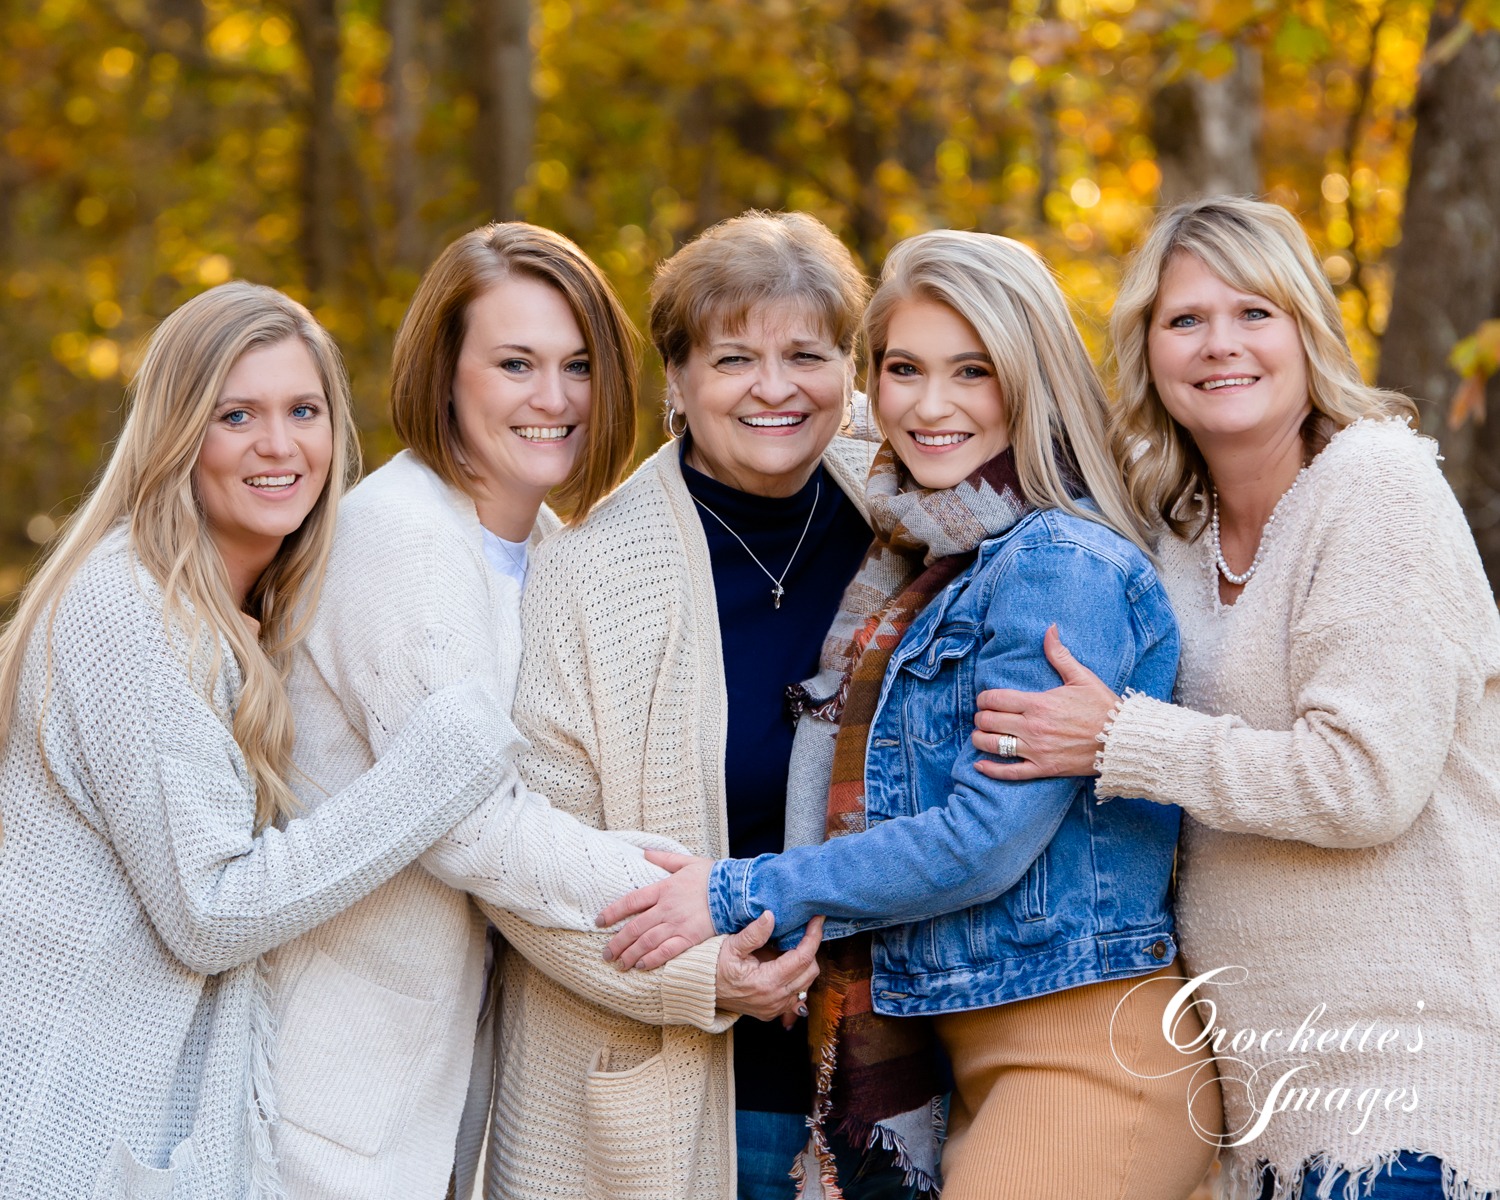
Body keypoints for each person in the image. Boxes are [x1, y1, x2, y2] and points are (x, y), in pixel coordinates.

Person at [600, 229, 1222, 1200]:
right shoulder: (931, 560)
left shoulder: (1059, 565)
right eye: (903, 369)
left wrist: (735, 892)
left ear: (1031, 378)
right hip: (976, 1050)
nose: (931, 406)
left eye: (973, 371)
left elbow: (983, 840)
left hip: (1090, 1055)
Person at [966, 196, 1500, 1199]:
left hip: (1413, 1093)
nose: (1222, 345)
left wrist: (1119, 739)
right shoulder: (1173, 530)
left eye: (1255, 313)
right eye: (1186, 320)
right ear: (1150, 350)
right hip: (1261, 1096)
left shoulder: (1376, 487)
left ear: (1306, 330)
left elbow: (1362, 782)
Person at [262, 223, 787, 1198]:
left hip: (442, 1089)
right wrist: (700, 905)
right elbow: (471, 824)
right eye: (515, 364)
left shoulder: (545, 547)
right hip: (333, 1094)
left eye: (578, 364)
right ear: (444, 374)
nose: (554, 399)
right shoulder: (399, 540)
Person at [0, 283, 519, 1199]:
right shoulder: (129, 609)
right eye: (237, 414)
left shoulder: (243, 612)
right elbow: (211, 909)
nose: (280, 446)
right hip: (72, 1136)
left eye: (303, 411)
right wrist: (432, 768)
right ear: (177, 434)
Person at [476, 211, 906, 1200]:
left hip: (900, 1092)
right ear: (676, 378)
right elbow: (527, 859)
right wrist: (698, 978)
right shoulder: (588, 575)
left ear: (849, 371)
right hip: (685, 1097)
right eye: (733, 357)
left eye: (806, 352)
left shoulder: (914, 518)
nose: (773, 386)